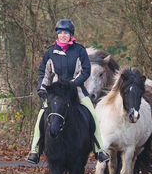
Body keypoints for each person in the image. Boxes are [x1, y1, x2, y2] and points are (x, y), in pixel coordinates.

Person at [27, 19, 111, 165]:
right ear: (57, 35)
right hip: (56, 91)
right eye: (60, 33)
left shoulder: (80, 51)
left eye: (66, 33)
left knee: (92, 114)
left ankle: (99, 150)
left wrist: (73, 84)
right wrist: (42, 87)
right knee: (41, 115)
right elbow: (44, 72)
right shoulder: (50, 52)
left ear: (71, 35)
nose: (63, 36)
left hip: (76, 89)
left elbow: (85, 71)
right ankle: (35, 150)